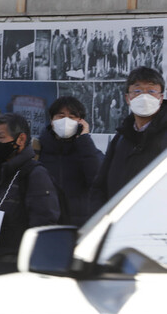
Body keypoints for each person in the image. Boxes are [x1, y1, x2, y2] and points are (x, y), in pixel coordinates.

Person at [0, 113, 60, 279]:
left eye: (2, 137)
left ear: (20, 139)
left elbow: (43, 225)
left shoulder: (34, 175)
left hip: (12, 270)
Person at [91, 66, 167, 209]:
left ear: (161, 98)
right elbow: (99, 186)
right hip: (117, 225)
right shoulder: (121, 137)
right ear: (128, 98)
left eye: (151, 91)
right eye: (137, 91)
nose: (144, 97)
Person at [37, 96, 104, 226]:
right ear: (52, 120)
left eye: (72, 117)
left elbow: (97, 180)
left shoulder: (89, 151)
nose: (66, 121)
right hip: (46, 224)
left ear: (81, 122)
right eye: (61, 116)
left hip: (79, 225)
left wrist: (84, 139)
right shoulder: (37, 150)